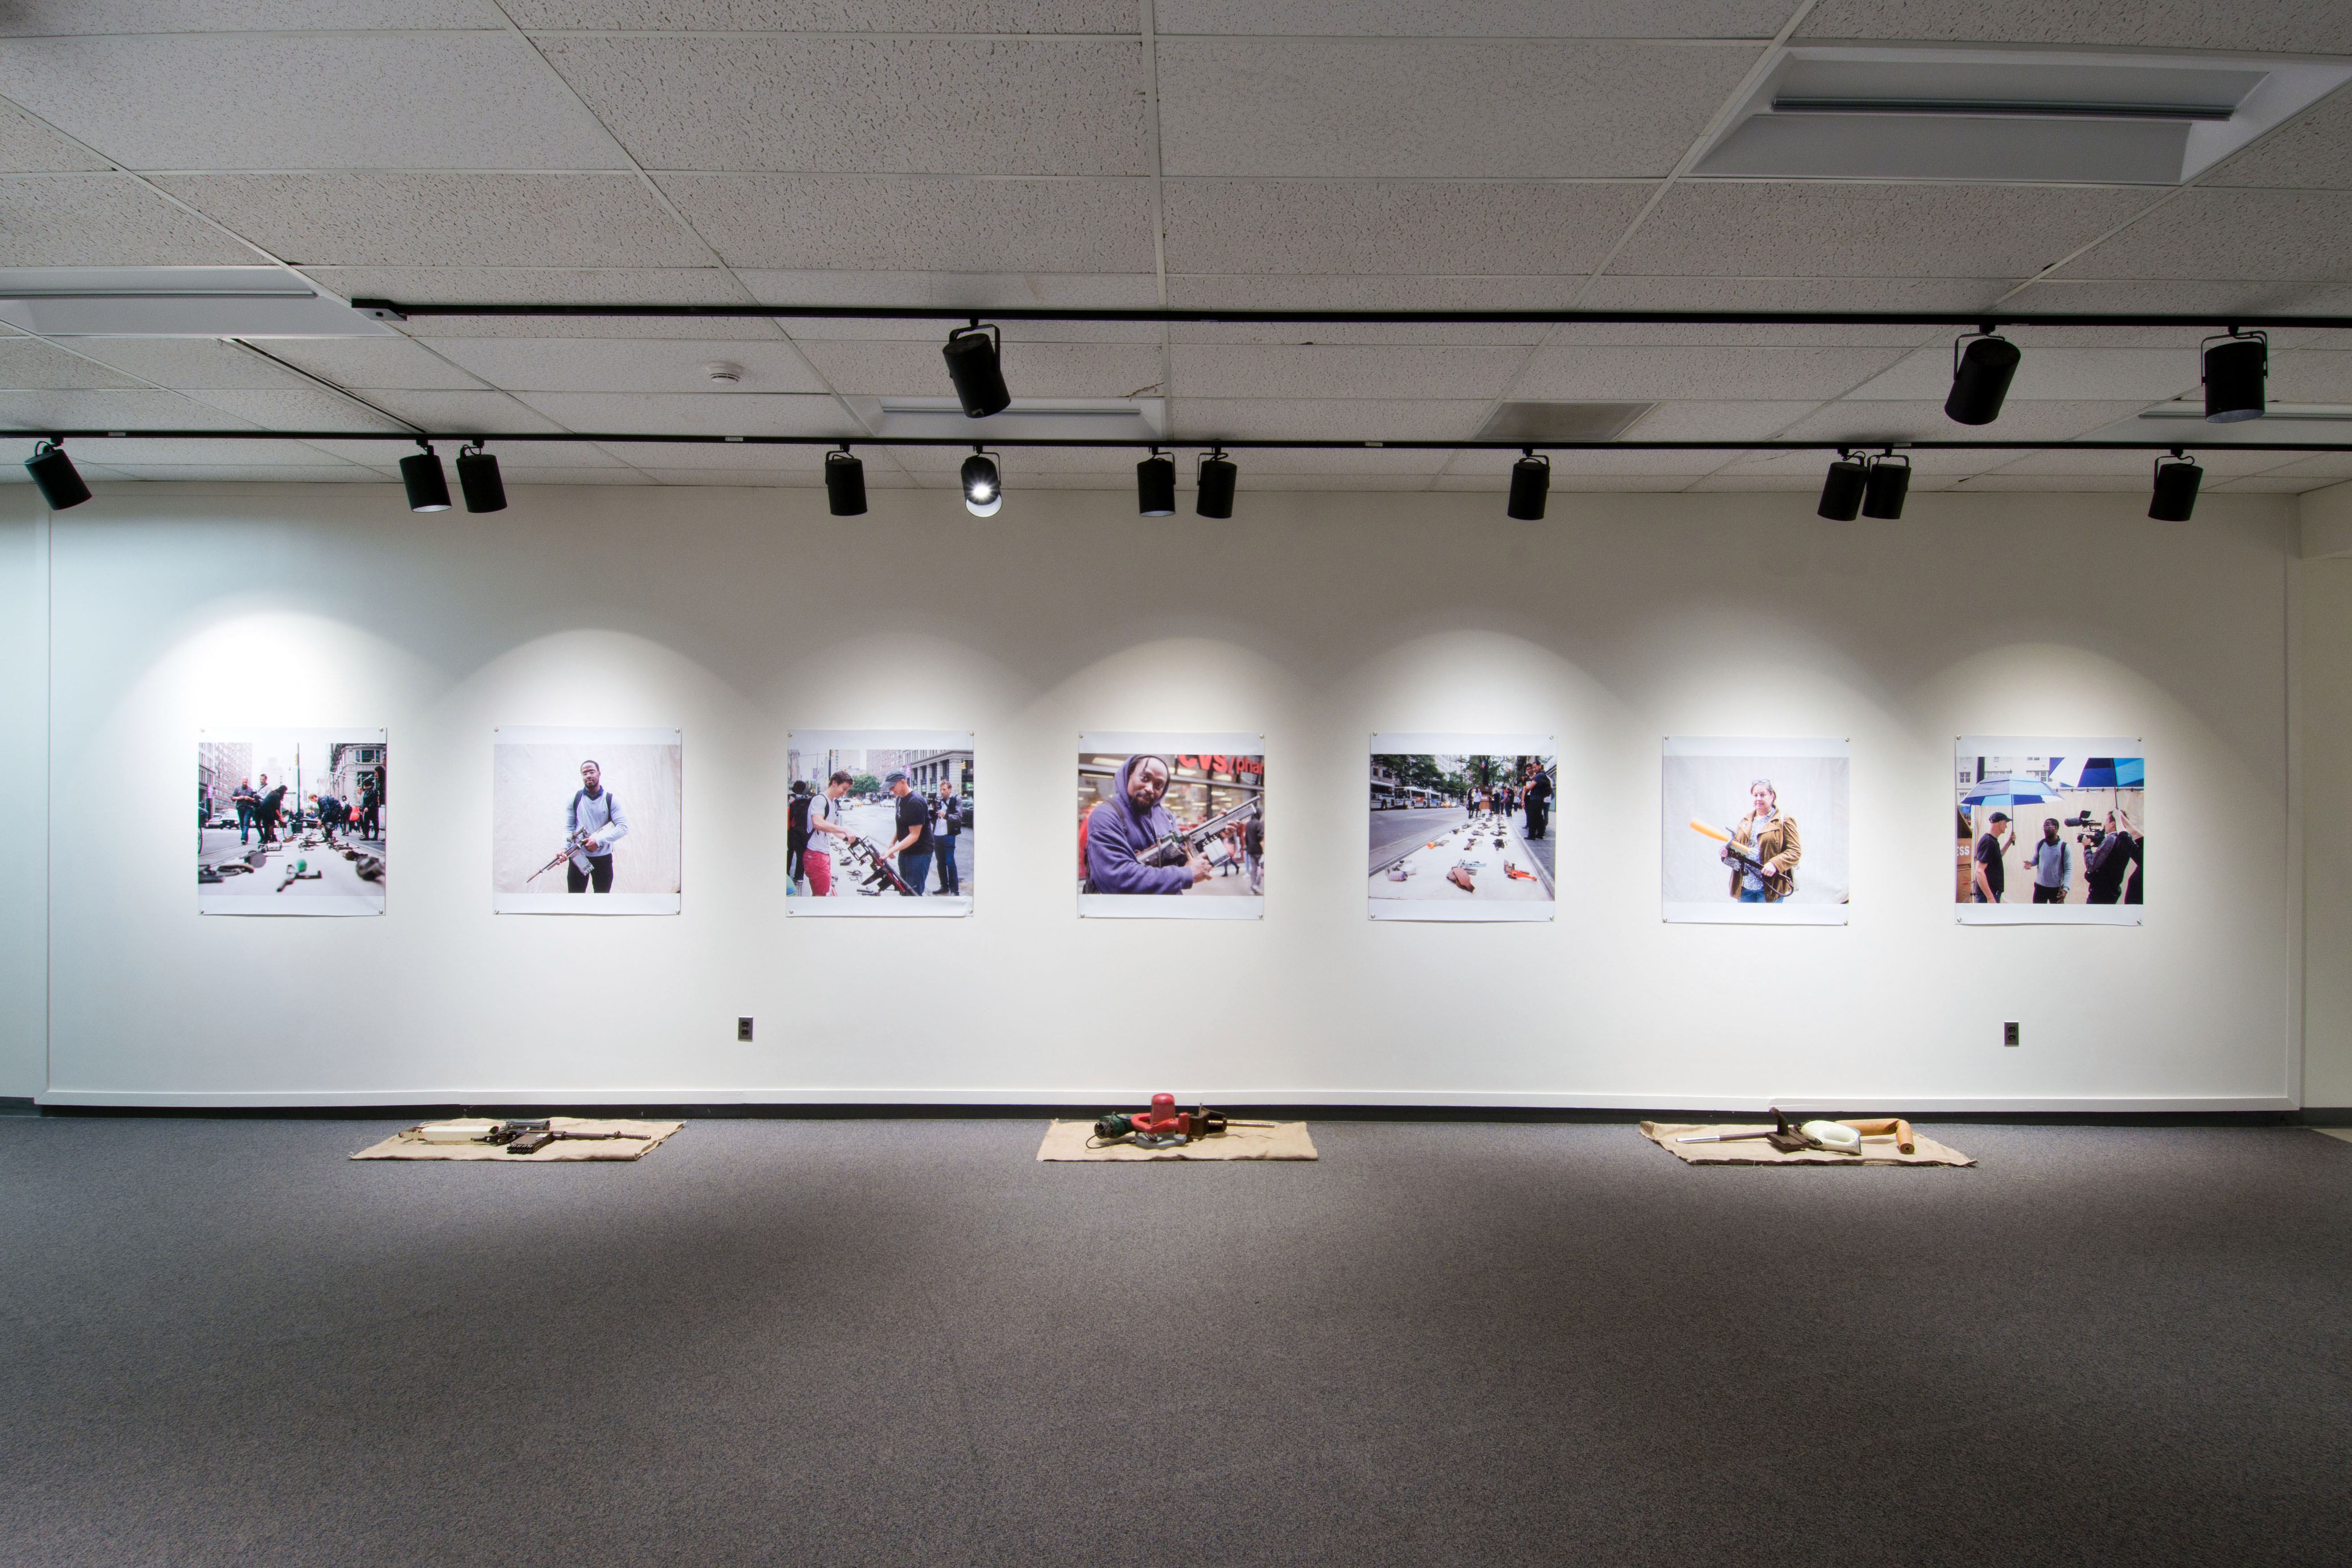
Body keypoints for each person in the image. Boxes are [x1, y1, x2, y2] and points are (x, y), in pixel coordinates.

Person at [1084, 754, 1210, 894]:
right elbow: (1118, 878)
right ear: (1130, 774)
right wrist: (1186, 874)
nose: (1150, 788)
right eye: (1145, 777)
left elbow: (1180, 857)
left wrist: (1214, 837)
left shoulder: (1166, 816)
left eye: (1159, 785)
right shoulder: (1105, 815)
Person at [1723, 778, 1800, 902]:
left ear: (1772, 796)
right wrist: (1727, 853)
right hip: (1745, 887)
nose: (1758, 799)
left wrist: (1775, 864)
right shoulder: (1746, 821)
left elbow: (1795, 851)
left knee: (1767, 921)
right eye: (1756, 795)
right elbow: (1738, 852)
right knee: (1745, 922)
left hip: (1769, 887)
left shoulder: (1784, 821)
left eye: (1763, 795)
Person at [563, 759, 629, 894]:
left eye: (592, 772)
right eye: (585, 773)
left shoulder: (611, 800)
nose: (588, 776)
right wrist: (564, 848)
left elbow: (623, 827)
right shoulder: (574, 799)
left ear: (599, 773)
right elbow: (569, 828)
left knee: (602, 899)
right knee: (575, 899)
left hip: (603, 859)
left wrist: (598, 842)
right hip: (578, 857)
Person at [801, 771, 855, 896]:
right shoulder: (820, 800)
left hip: (823, 854)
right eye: (844, 789)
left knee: (822, 892)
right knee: (820, 895)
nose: (845, 793)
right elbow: (818, 823)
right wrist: (845, 829)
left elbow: (834, 828)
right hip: (815, 854)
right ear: (834, 783)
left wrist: (850, 839)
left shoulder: (832, 803)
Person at [879, 771, 931, 894]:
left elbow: (914, 835)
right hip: (906, 851)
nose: (891, 790)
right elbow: (902, 825)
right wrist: (892, 844)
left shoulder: (915, 801)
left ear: (903, 782)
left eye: (893, 786)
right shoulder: (900, 799)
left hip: (919, 853)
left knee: (913, 892)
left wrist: (891, 851)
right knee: (903, 888)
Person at [2084, 811, 2131, 903]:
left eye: (2107, 821)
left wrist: (2087, 847)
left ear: (2113, 824)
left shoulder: (2111, 839)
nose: (2105, 824)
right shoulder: (2126, 840)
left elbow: (2091, 865)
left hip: (2100, 894)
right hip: (2113, 892)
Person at [2022, 816, 2071, 904]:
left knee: (2056, 916)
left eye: (2047, 827)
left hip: (2056, 889)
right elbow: (2037, 859)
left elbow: (2068, 870)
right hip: (2040, 887)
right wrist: (2031, 863)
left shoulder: (2064, 847)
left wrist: (2065, 889)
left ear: (2055, 828)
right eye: (2044, 827)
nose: (2045, 829)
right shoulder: (2040, 844)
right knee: (2038, 915)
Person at [1972, 810, 2014, 903]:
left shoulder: (1993, 841)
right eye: (2006, 823)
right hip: (1988, 896)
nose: (2006, 827)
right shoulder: (1988, 842)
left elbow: (1998, 857)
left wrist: (2009, 842)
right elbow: (1979, 872)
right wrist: (1990, 898)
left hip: (1993, 894)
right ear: (2000, 823)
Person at [932, 779, 963, 896]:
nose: (942, 792)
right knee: (940, 863)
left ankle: (955, 890)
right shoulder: (939, 801)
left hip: (949, 835)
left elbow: (959, 818)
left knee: (950, 862)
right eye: (941, 790)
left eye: (944, 789)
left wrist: (945, 815)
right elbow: (934, 819)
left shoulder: (956, 800)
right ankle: (944, 886)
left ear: (950, 790)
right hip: (937, 835)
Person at [787, 779, 812, 892]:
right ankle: (799, 877)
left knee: (789, 853)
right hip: (803, 832)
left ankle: (786, 873)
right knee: (801, 855)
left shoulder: (792, 800)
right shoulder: (808, 801)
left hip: (792, 831)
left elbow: (791, 818)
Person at [1522, 763, 1552, 841]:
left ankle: (1531, 835)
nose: (1534, 769)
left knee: (1532, 817)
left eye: (1535, 767)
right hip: (1540, 799)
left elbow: (1530, 787)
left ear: (1540, 766)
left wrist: (1528, 787)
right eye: (1533, 768)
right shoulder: (1544, 775)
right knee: (1539, 817)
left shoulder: (1539, 776)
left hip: (1535, 799)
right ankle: (1540, 834)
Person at [254, 774, 286, 845]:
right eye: (284, 792)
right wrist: (280, 817)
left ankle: (270, 838)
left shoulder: (274, 793)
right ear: (283, 791)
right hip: (267, 810)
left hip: (264, 808)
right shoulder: (277, 796)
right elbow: (277, 808)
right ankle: (268, 839)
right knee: (270, 824)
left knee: (267, 824)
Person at [1243, 808, 1263, 893]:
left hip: (1251, 850)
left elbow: (1246, 838)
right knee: (1262, 868)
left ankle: (1253, 888)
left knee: (1254, 869)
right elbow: (1260, 837)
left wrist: (1249, 846)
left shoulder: (1248, 824)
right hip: (1259, 850)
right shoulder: (1259, 824)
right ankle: (1256, 885)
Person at [233, 777, 258, 844]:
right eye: (244, 780)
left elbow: (255, 799)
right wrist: (238, 798)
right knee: (242, 824)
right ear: (242, 781)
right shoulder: (237, 789)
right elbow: (232, 797)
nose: (245, 781)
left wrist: (249, 798)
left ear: (248, 781)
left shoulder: (251, 790)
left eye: (246, 780)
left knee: (246, 823)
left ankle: (243, 838)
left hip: (248, 808)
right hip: (240, 808)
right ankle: (246, 838)